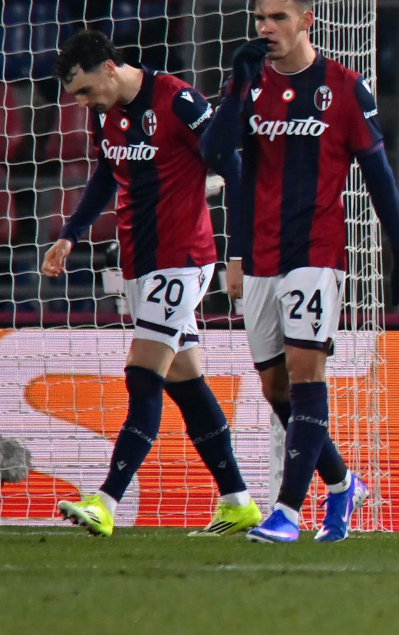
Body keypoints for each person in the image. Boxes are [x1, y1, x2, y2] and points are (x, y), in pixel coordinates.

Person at [201, 0, 399, 543]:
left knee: (305, 375)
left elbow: (381, 178)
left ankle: (287, 512)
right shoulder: (250, 85)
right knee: (278, 391)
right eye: (259, 18)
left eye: (277, 17)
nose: (266, 28)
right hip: (262, 258)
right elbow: (215, 153)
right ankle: (344, 484)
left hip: (317, 253)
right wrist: (233, 84)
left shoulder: (346, 90)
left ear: (307, 20)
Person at [46, 29, 260, 537]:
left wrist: (240, 252)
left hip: (184, 259)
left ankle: (105, 501)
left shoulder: (178, 101)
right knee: (185, 383)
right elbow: (104, 174)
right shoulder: (106, 115)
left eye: (84, 90)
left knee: (143, 377)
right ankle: (237, 500)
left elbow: (233, 166)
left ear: (109, 69)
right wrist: (71, 235)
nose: (83, 102)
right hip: (141, 262)